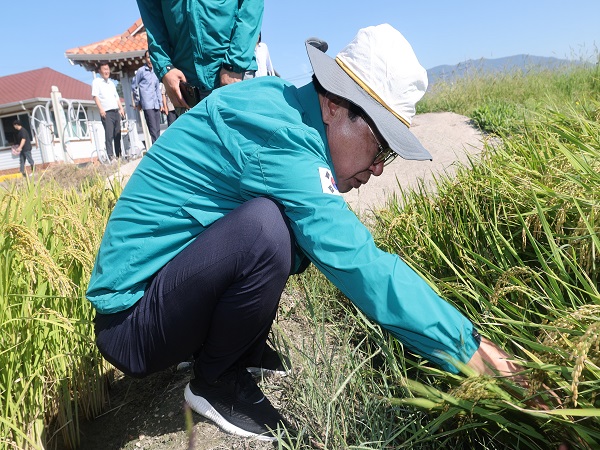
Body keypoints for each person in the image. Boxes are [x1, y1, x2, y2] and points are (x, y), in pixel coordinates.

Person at [87, 24, 530, 442]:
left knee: (282, 229)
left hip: (168, 291)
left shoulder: (284, 105)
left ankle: (232, 350)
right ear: (335, 105)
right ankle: (216, 383)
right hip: (132, 325)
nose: (377, 169)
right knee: (267, 228)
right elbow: (360, 263)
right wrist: (472, 350)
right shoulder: (284, 137)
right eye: (380, 148)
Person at [136, 0, 263, 110]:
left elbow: (251, 6)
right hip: (186, 86)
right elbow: (151, 19)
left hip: (236, 75)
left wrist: (235, 63)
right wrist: (165, 69)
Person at [92, 62, 125, 160]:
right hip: (106, 112)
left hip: (115, 111)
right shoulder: (96, 82)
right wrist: (101, 109)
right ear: (100, 71)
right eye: (104, 69)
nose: (106, 71)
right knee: (109, 135)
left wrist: (121, 108)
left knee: (117, 134)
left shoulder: (111, 83)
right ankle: (111, 156)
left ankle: (119, 155)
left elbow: (116, 97)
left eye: (107, 69)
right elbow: (95, 96)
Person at [133, 50, 163, 144]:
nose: (150, 60)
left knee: (158, 129)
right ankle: (157, 152)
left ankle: (158, 149)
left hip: (156, 104)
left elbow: (157, 89)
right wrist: (138, 102)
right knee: (153, 130)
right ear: (145, 59)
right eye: (148, 57)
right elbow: (134, 86)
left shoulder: (155, 72)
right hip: (147, 104)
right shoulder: (141, 71)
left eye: (151, 57)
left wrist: (160, 103)